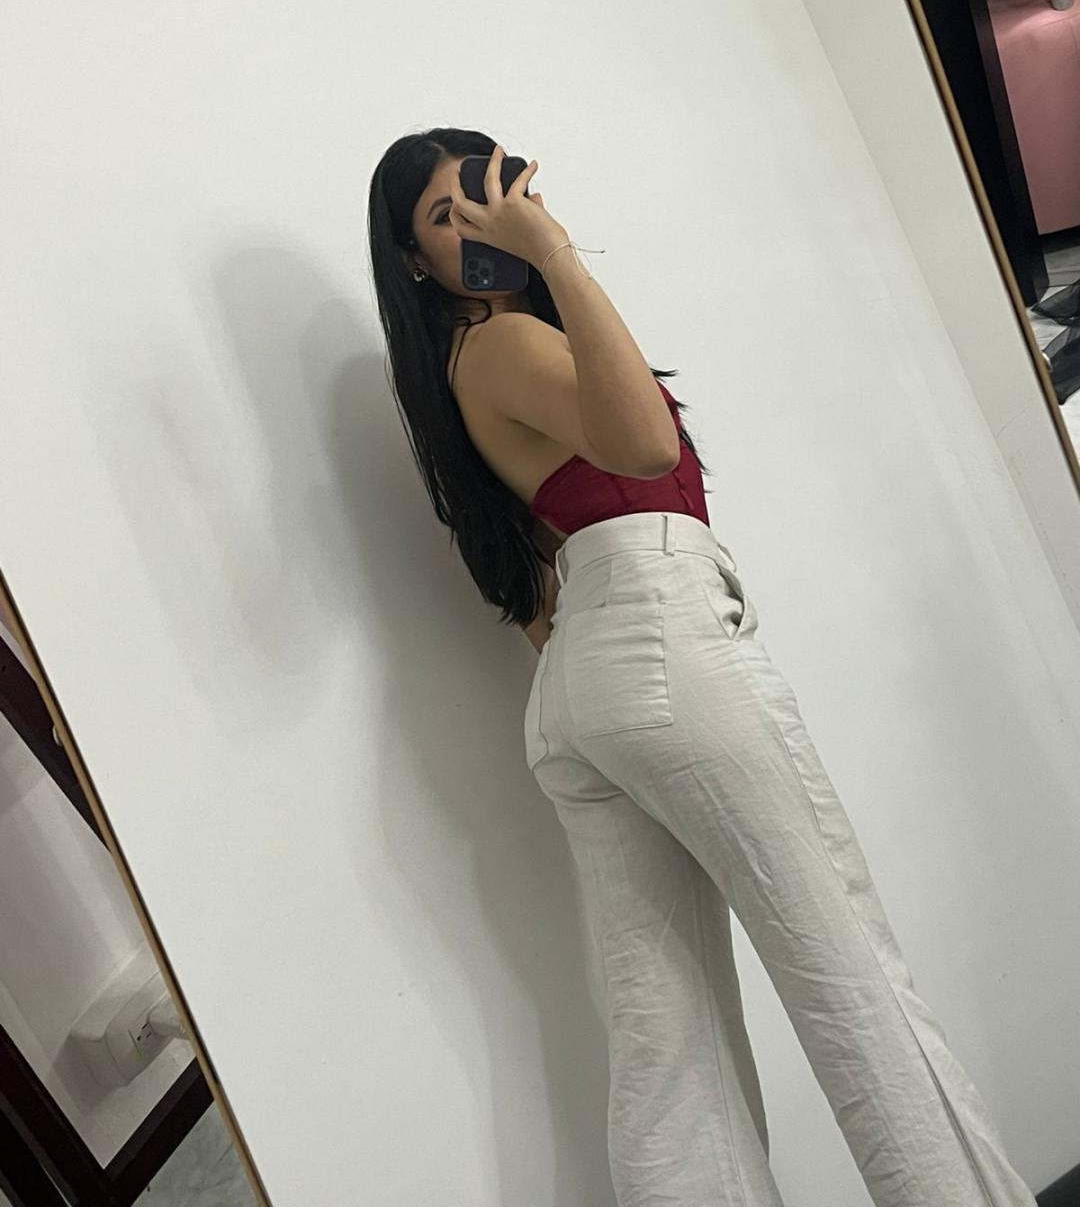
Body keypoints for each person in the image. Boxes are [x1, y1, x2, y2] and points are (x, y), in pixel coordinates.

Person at [367, 128, 1038, 1206]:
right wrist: (557, 257)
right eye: (446, 220)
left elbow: (540, 589)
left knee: (670, 1047)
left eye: (485, 200)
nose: (477, 231)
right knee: (851, 976)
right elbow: (645, 449)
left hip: (584, 683)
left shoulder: (463, 372)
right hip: (660, 638)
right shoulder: (506, 343)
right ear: (413, 261)